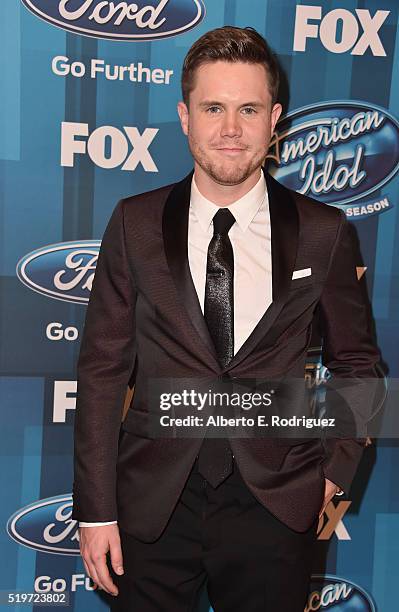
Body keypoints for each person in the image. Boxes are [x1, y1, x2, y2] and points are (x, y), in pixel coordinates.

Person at [72, 26, 381, 611]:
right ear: (185, 116)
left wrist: (335, 473)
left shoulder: (324, 232)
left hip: (276, 501)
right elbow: (102, 372)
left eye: (249, 109)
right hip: (151, 504)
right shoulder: (134, 224)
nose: (231, 130)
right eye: (213, 108)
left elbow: (359, 364)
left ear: (275, 119)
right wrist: (96, 509)